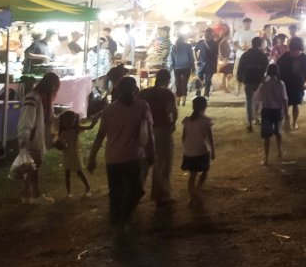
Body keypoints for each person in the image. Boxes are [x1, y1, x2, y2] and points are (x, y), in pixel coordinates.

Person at [87, 76, 154, 228]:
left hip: (115, 158)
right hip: (131, 158)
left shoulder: (110, 109)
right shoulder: (141, 106)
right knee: (134, 191)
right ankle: (121, 220)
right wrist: (152, 152)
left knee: (118, 194)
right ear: (135, 90)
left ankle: (117, 222)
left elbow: (100, 136)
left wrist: (92, 157)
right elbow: (149, 132)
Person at [17, 72, 61, 203]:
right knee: (33, 167)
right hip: (31, 138)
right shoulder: (33, 97)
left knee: (30, 167)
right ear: (52, 85)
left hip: (35, 136)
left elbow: (50, 118)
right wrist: (24, 137)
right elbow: (26, 118)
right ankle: (35, 195)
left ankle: (28, 195)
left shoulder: (43, 98)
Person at [138, 69, 177, 206]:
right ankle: (161, 195)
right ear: (167, 80)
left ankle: (137, 188)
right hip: (161, 129)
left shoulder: (144, 92)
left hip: (144, 130)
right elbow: (172, 111)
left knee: (144, 161)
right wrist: (172, 123)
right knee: (162, 162)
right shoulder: (167, 93)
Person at [180, 96, 216, 206]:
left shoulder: (186, 121)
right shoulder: (206, 121)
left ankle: (192, 196)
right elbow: (210, 137)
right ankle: (197, 189)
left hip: (189, 151)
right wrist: (213, 150)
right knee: (204, 171)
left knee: (192, 174)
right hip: (202, 150)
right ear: (204, 107)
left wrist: (187, 146)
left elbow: (183, 137)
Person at [55, 109, 95, 198]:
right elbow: (60, 144)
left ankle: (88, 188)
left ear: (74, 120)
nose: (68, 123)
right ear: (63, 121)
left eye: (70, 120)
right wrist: (59, 145)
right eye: (66, 121)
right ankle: (69, 192)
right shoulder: (63, 132)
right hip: (66, 155)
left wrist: (94, 121)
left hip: (74, 155)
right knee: (68, 173)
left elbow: (89, 127)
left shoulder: (75, 130)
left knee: (79, 172)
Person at [254, 63, 288, 165]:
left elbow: (257, 99)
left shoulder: (264, 85)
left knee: (267, 136)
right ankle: (279, 150)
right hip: (277, 110)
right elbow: (284, 99)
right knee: (278, 132)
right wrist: (286, 113)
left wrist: (256, 112)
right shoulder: (280, 84)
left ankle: (266, 158)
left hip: (266, 111)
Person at [236, 36, 270, 132]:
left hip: (248, 80)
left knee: (249, 101)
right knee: (259, 100)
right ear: (260, 45)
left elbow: (240, 67)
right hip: (259, 80)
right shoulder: (263, 56)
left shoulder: (245, 55)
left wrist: (240, 77)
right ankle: (257, 118)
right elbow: (266, 68)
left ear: (252, 44)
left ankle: (250, 123)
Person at [278, 36, 306, 131]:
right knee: (295, 104)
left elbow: (278, 68)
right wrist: (302, 80)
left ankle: (287, 119)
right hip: (297, 83)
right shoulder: (303, 57)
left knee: (285, 103)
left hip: (287, 82)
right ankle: (294, 122)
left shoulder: (285, 56)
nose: (295, 53)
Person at [169, 29, 194, 105]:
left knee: (178, 83)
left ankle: (178, 99)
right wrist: (192, 66)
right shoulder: (188, 46)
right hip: (186, 66)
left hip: (177, 67)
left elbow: (172, 57)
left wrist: (172, 66)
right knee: (184, 83)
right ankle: (184, 99)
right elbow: (191, 57)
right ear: (184, 38)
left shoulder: (173, 46)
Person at [194, 27, 219, 98]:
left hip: (210, 64)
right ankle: (198, 93)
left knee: (208, 80)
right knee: (199, 79)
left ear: (212, 34)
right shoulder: (200, 42)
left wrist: (215, 65)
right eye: (205, 33)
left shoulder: (215, 43)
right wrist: (196, 60)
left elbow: (216, 55)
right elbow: (195, 50)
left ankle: (206, 94)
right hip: (201, 63)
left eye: (208, 33)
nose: (206, 34)